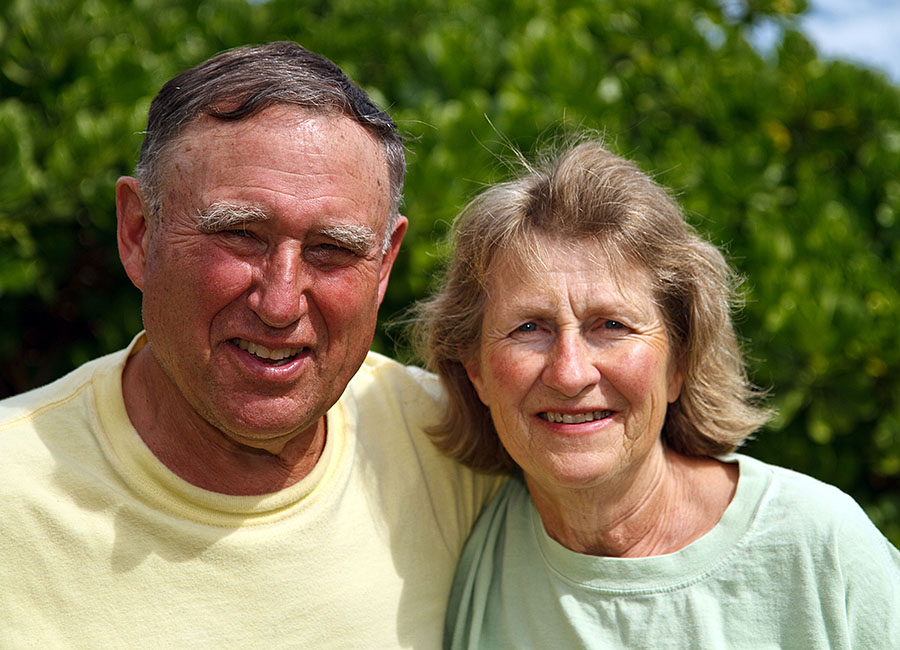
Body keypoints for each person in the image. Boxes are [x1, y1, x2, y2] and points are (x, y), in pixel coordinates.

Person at [0, 42, 500, 648]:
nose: (281, 301)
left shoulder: (460, 446)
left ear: (386, 262)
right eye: (239, 234)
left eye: (332, 249)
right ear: (137, 233)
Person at [413, 139, 900, 649]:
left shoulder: (819, 546)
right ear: (476, 372)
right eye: (530, 327)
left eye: (612, 325)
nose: (570, 372)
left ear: (680, 362)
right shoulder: (465, 540)